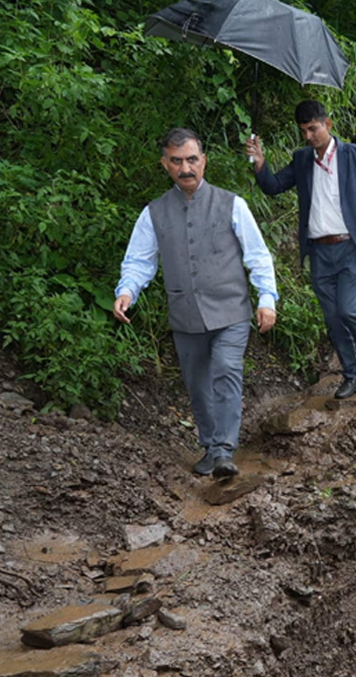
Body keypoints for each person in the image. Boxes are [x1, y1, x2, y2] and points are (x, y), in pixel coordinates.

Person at [116, 128, 278, 478]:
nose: (185, 168)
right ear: (165, 164)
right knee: (197, 383)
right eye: (177, 161)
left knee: (225, 370)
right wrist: (127, 291)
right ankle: (209, 446)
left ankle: (223, 451)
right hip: (185, 314)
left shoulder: (233, 204)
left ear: (204, 161)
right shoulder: (153, 213)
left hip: (231, 310)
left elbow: (258, 256)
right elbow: (139, 260)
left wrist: (267, 299)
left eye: (192, 159)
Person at [247, 100, 356, 400]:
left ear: (327, 124)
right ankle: (351, 376)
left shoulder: (355, 155)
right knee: (332, 318)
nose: (309, 136)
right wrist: (260, 162)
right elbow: (273, 186)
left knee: (350, 309)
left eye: (313, 129)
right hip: (320, 252)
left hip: (353, 247)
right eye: (303, 131)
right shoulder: (302, 159)